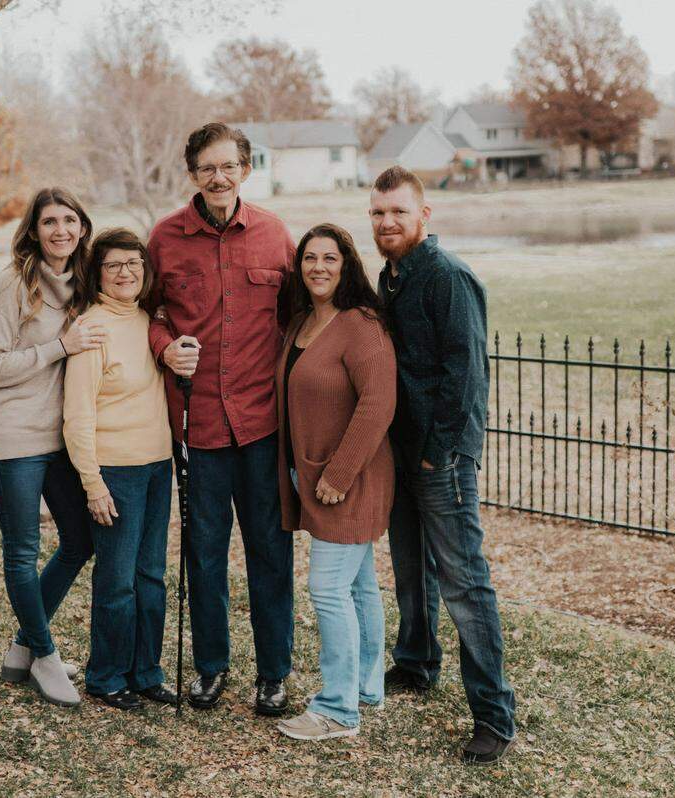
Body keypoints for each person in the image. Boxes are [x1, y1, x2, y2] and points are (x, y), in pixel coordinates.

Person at [146, 122, 295, 715]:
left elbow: (300, 312)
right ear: (192, 173)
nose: (218, 176)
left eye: (228, 166)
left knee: (269, 553)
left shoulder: (274, 235)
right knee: (204, 556)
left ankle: (274, 674)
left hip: (262, 426)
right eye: (207, 167)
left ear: (246, 170)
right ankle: (210, 668)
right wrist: (164, 345)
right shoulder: (164, 239)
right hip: (198, 427)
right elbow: (147, 311)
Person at [370, 165, 517, 764]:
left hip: (441, 458)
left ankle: (494, 713)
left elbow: (466, 377)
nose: (386, 222)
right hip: (400, 452)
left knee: (463, 580)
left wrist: (439, 453)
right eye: (378, 213)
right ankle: (416, 661)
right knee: (411, 567)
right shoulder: (393, 278)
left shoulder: (448, 277)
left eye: (398, 212)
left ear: (423, 215)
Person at [0, 187, 106, 708]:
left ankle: (23, 647)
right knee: (23, 552)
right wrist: (59, 346)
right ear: (34, 229)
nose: (60, 231)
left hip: (60, 440)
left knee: (81, 541)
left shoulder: (83, 285)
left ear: (82, 227)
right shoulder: (14, 283)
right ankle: (46, 657)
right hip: (14, 439)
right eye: (49, 222)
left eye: (69, 221)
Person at [273, 224, 396, 742]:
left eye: (330, 258)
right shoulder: (302, 322)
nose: (318, 267)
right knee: (359, 585)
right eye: (309, 258)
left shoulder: (361, 324)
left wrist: (339, 475)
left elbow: (377, 404)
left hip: (350, 479)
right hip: (313, 474)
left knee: (326, 589)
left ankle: (337, 709)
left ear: (346, 265)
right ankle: (366, 687)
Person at [63, 228, 178, 711]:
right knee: (117, 579)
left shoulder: (150, 321)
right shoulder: (92, 328)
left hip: (158, 467)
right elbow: (77, 415)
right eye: (114, 265)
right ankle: (106, 675)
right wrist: (93, 483)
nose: (125, 273)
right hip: (115, 472)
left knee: (151, 574)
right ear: (98, 274)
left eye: (133, 264)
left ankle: (146, 671)